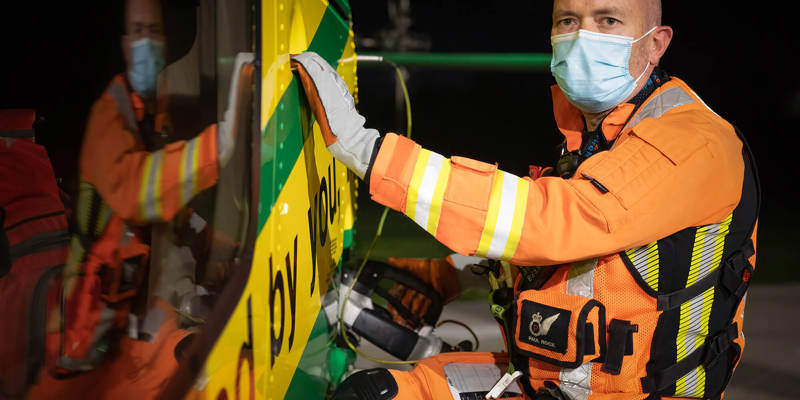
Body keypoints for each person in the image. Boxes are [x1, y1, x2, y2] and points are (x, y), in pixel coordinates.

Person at [291, 0, 760, 399]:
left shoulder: (693, 141)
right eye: (568, 21)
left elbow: (556, 220)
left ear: (655, 44)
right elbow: (594, 260)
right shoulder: (597, 137)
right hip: (553, 383)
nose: (582, 37)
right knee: (378, 391)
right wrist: (448, 275)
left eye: (608, 21)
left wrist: (369, 153)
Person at [24, 0, 248, 397]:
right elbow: (137, 190)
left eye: (154, 31)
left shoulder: (145, 110)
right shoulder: (108, 113)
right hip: (87, 325)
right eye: (138, 31)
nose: (147, 42)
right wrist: (222, 143)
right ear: (123, 42)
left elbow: (168, 207)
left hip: (130, 313)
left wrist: (211, 240)